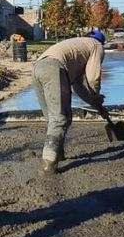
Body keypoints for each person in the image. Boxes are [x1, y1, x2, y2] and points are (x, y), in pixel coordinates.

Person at [33, 29, 106, 175]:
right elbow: (93, 78)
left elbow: (78, 86)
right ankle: (48, 165)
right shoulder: (96, 46)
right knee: (60, 118)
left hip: (38, 68)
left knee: (52, 118)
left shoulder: (79, 48)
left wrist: (93, 103)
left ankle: (58, 154)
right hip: (55, 68)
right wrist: (96, 95)